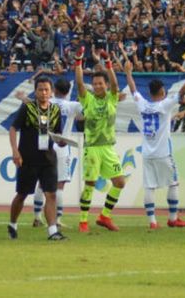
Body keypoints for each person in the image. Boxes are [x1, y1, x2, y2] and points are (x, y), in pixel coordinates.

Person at [125, 58, 185, 229]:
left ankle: (152, 222)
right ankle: (173, 218)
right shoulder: (165, 105)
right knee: (173, 183)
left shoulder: (143, 105)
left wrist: (129, 72)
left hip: (147, 153)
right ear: (162, 91)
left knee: (149, 186)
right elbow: (183, 90)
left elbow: (133, 90)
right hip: (163, 152)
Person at [8, 77, 67, 241]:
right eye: (40, 89)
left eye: (47, 89)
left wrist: (61, 142)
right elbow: (13, 128)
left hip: (48, 159)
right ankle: (12, 223)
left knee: (51, 194)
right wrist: (15, 151)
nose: (44, 93)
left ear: (52, 92)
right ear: (35, 91)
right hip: (27, 158)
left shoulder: (55, 110)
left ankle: (53, 231)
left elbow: (57, 134)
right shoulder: (27, 108)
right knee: (22, 194)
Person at [75, 48, 125, 232]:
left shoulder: (112, 98)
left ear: (105, 85)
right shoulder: (87, 100)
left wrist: (109, 63)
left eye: (100, 84)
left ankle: (104, 216)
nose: (97, 86)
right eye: (94, 84)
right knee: (90, 184)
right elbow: (80, 83)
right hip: (93, 148)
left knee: (120, 182)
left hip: (108, 148)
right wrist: (78, 61)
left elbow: (115, 84)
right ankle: (83, 221)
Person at [24, 77, 84, 228]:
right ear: (68, 91)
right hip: (62, 146)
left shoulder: (46, 103)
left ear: (54, 90)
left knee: (40, 184)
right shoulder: (73, 105)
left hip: (45, 145)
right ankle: (57, 219)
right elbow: (84, 115)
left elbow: (30, 105)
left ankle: (37, 216)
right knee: (59, 185)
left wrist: (23, 98)